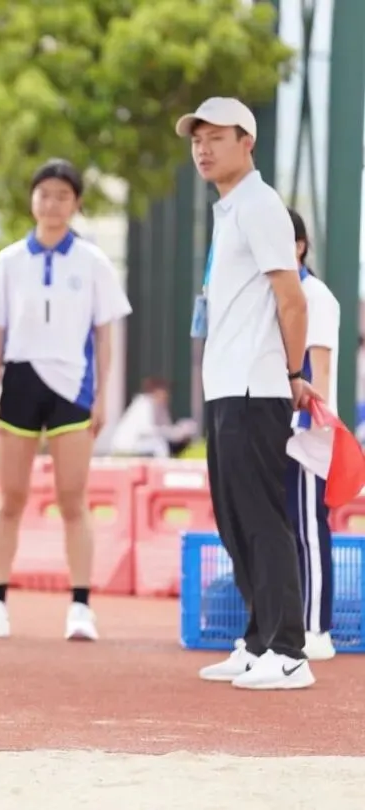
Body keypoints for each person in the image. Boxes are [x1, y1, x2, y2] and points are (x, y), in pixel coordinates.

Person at [177, 97, 318, 690]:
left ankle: (288, 652)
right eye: (196, 139)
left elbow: (293, 298)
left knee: (261, 518)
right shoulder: (231, 210)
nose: (203, 148)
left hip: (255, 387)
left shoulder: (260, 207)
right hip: (228, 384)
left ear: (247, 142)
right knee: (235, 520)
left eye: (216, 137)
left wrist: (290, 374)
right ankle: (259, 640)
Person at [0, 158, 133, 643]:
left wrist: (101, 396)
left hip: (73, 389)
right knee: (11, 497)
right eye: (45, 193)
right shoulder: (7, 262)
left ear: (77, 203)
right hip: (19, 383)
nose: (53, 203)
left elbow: (105, 337)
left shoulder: (94, 263)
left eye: (64, 195)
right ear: (32, 200)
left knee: (72, 499)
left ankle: (81, 607)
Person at [285, 208, 340, 662]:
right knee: (280, 529)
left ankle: (317, 627)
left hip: (305, 430)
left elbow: (317, 367)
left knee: (307, 530)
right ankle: (284, 624)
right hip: (272, 427)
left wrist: (313, 424)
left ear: (300, 245)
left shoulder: (314, 295)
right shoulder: (273, 292)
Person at [110, 376, 198, 458]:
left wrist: (179, 432)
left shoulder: (161, 407)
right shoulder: (144, 403)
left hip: (143, 442)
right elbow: (146, 430)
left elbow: (167, 428)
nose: (166, 395)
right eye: (164, 391)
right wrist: (167, 432)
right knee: (159, 445)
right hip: (128, 444)